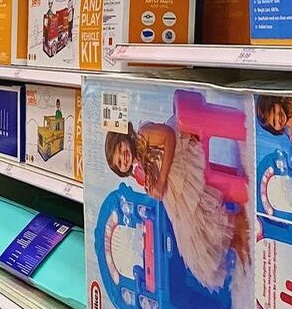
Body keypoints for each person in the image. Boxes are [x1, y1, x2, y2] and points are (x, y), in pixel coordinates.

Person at [104, 120, 250, 291]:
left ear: (124, 138)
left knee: (196, 216)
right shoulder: (139, 166)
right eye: (120, 163)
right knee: (191, 235)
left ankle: (238, 225)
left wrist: (161, 181)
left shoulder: (143, 134)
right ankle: (234, 239)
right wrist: (153, 185)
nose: (124, 157)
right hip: (173, 185)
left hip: (180, 157)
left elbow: (169, 136)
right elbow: (155, 181)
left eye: (120, 149)